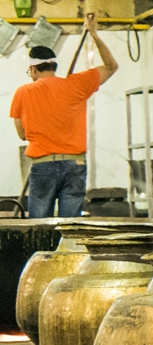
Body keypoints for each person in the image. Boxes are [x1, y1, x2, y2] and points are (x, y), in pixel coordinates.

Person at [10, 14, 119, 218]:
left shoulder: (23, 92)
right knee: (69, 229)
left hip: (42, 165)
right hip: (75, 165)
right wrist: (94, 34)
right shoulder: (77, 84)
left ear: (33, 69)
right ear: (54, 66)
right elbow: (112, 66)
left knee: (40, 227)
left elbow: (22, 134)